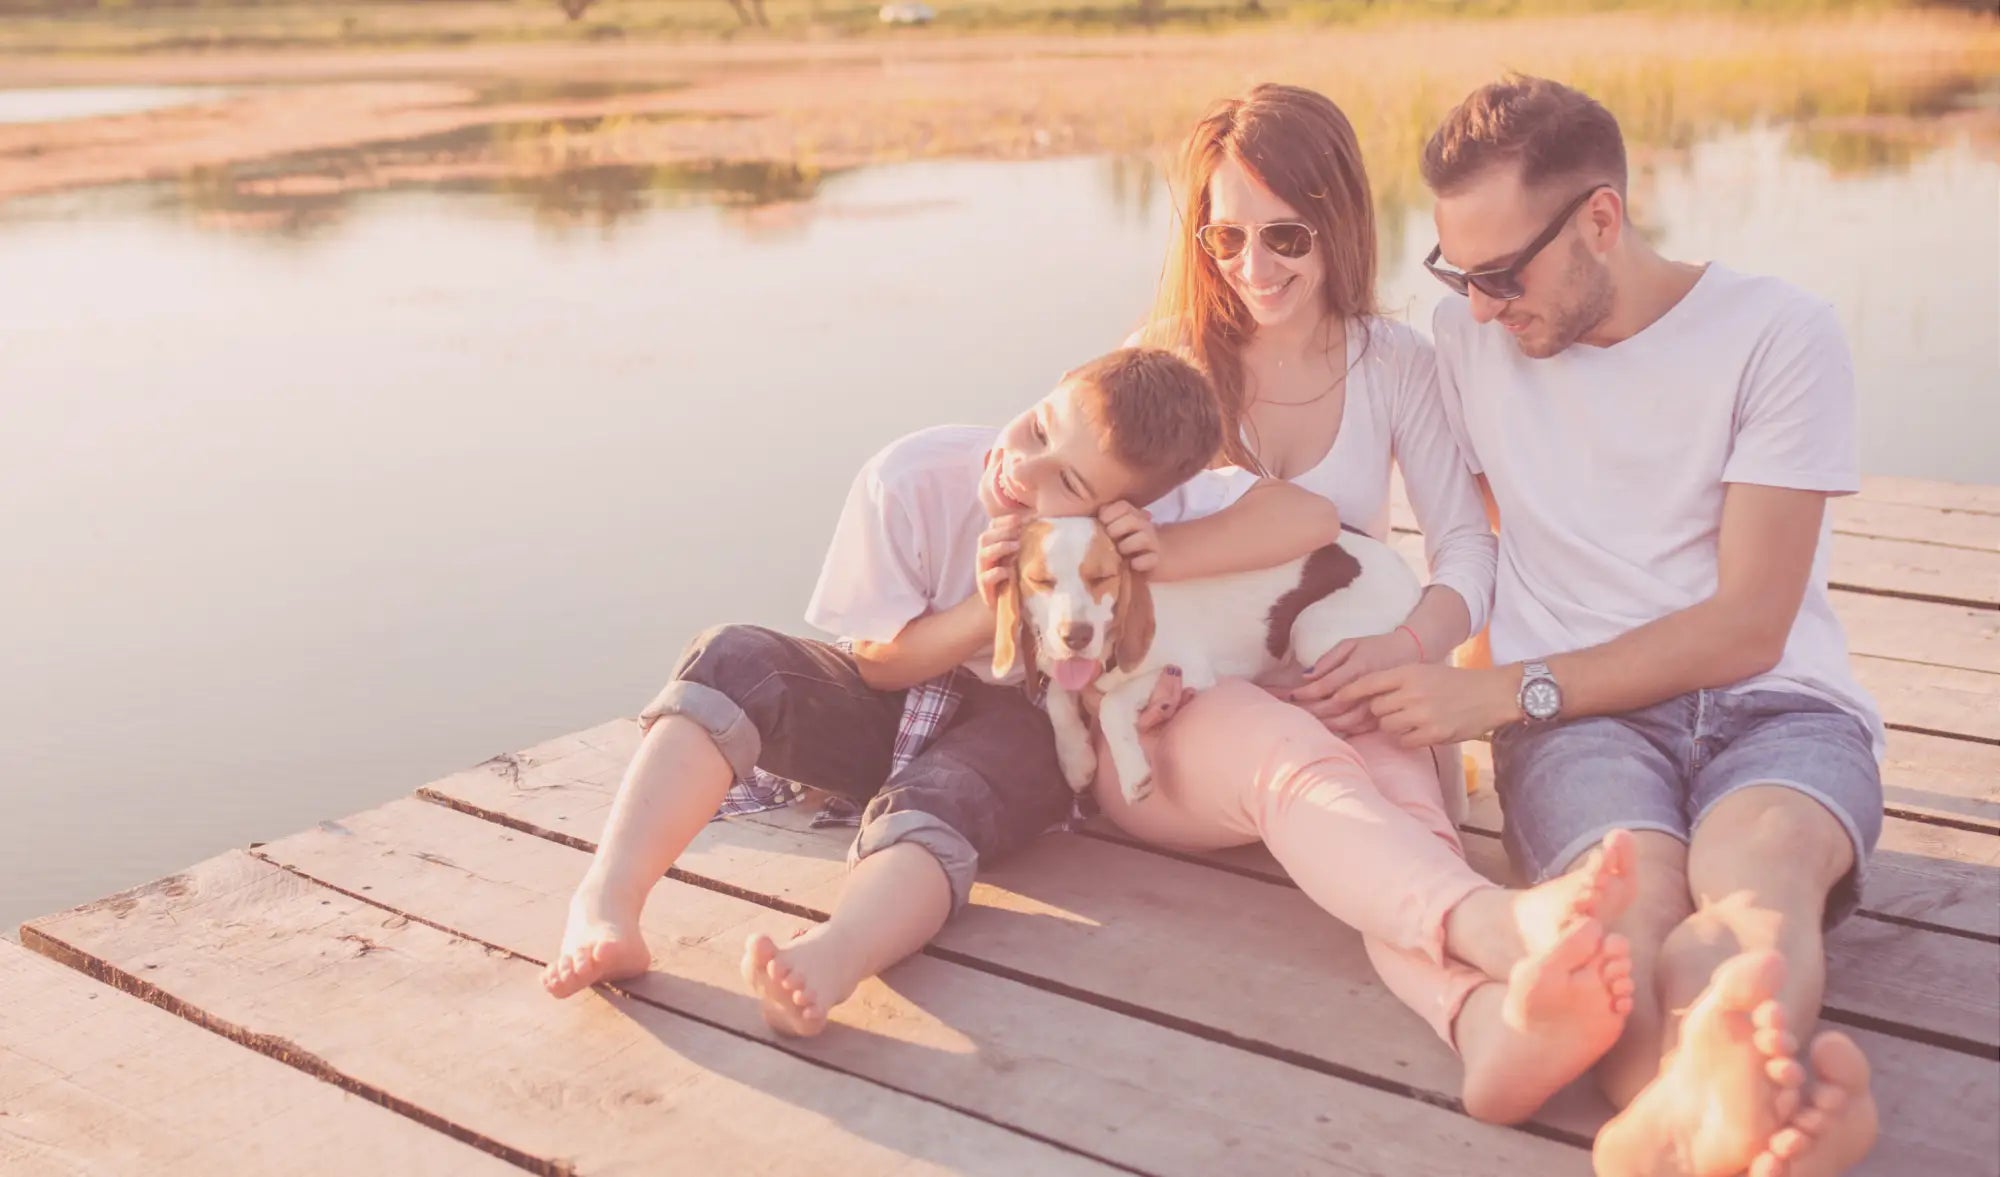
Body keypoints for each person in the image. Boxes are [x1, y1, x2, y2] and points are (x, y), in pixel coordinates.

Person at [1336, 74, 1883, 1176]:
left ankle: (1695, 1113)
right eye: (1458, 272)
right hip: (1582, 738)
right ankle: (1719, 1109)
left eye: (1501, 273)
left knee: (1757, 881)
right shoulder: (1468, 339)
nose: (1480, 307)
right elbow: (1471, 528)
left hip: (1774, 709)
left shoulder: (1777, 333)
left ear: (1600, 217)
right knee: (1622, 924)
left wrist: (1502, 692)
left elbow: (1746, 626)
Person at [1097, 83, 1639, 1125]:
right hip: (1170, 732)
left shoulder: (1391, 361)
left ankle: (1484, 1028)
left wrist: (1406, 646)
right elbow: (1079, 549)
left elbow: (1464, 545)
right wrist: (1130, 665)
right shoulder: (1163, 361)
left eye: (1285, 236)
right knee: (1286, 751)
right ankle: (1496, 925)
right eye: (1224, 240)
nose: (1252, 270)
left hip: (1340, 679)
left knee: (1393, 787)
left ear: (1338, 219)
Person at [543, 346, 1345, 1038]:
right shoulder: (913, 474)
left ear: (1121, 507)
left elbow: (1310, 517)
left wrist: (1163, 547)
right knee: (732, 655)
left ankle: (835, 954)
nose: (1019, 469)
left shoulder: (1155, 503)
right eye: (1036, 428)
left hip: (1029, 723)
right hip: (893, 690)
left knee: (949, 795)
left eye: (1062, 479)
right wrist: (981, 610)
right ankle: (607, 903)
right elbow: (877, 663)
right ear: (1050, 388)